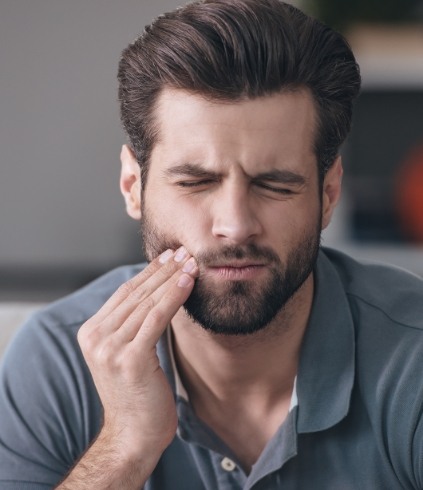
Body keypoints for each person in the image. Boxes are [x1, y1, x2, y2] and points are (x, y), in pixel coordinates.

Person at [1, 0, 422, 488]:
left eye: (275, 185)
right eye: (195, 182)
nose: (236, 225)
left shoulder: (410, 357)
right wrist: (125, 447)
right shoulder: (56, 361)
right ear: (132, 187)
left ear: (328, 195)